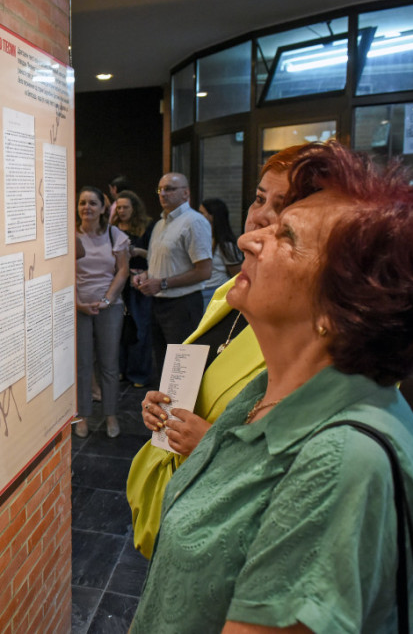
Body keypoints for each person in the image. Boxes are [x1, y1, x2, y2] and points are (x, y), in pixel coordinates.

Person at [129, 141, 413, 633]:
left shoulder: (341, 462)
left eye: (286, 236)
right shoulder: (265, 391)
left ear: (342, 307)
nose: (248, 239)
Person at [128, 143, 304, 560]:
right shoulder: (232, 293)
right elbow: (197, 373)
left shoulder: (316, 343)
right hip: (172, 509)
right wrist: (161, 405)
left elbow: (302, 481)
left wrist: (210, 443)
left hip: (219, 540)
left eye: (283, 208)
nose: (254, 224)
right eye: (259, 198)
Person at [132, 172, 213, 374]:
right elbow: (159, 264)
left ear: (185, 193)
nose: (163, 194)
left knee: (182, 368)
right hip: (158, 303)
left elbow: (204, 271)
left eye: (169, 189)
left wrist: (163, 283)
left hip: (182, 305)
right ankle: (165, 405)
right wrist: (146, 276)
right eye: (160, 189)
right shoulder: (160, 224)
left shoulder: (194, 222)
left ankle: (182, 406)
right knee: (162, 364)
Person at [75, 186, 130, 438]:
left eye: (92, 203)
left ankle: (110, 415)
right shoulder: (70, 236)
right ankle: (82, 416)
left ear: (102, 208)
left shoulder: (114, 234)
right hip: (78, 308)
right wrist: (77, 303)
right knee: (82, 364)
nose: (87, 207)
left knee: (109, 364)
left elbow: (122, 271)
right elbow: (63, 273)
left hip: (109, 307)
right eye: (83, 202)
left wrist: (107, 300)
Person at [111, 190, 154, 387]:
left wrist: (137, 251)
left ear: (134, 208)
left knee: (139, 328)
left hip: (139, 284)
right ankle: (121, 369)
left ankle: (139, 374)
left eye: (125, 207)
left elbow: (155, 255)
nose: (121, 211)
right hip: (118, 283)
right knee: (119, 329)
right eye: (118, 207)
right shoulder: (112, 228)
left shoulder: (146, 227)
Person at [198, 197, 244, 308]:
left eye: (202, 213)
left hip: (216, 292)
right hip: (200, 291)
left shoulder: (226, 245)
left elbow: (237, 276)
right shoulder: (203, 239)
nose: (198, 217)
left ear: (212, 216)